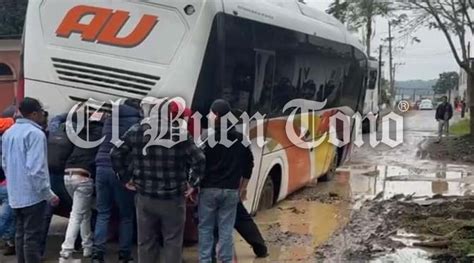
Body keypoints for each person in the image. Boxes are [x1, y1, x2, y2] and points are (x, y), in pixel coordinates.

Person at [111, 98, 206, 263]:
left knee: (146, 242)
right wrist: (192, 184)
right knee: (172, 241)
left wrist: (126, 177)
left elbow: (115, 153)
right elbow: (200, 158)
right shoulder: (180, 134)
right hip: (173, 198)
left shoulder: (136, 130)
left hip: (145, 197)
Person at [1, 98, 60, 263]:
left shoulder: (9, 133)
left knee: (20, 234)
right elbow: (36, 169)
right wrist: (48, 194)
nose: (43, 115)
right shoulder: (35, 134)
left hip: (15, 193)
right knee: (32, 237)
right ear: (34, 114)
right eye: (41, 112)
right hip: (33, 194)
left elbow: (5, 163)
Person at [198, 99, 254, 263]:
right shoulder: (241, 139)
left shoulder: (206, 137)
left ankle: (205, 260)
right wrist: (243, 189)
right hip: (231, 191)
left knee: (206, 228)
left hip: (208, 190)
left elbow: (197, 162)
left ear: (215, 115)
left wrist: (194, 185)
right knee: (226, 230)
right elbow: (249, 165)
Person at [91, 99, 141, 263]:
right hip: (120, 170)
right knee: (126, 214)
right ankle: (124, 255)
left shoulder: (110, 118)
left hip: (100, 167)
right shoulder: (135, 122)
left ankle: (98, 254)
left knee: (103, 212)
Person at [59, 109, 104, 259]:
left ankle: (87, 247)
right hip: (84, 176)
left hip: (67, 174)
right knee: (77, 214)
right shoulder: (101, 134)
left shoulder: (80, 133)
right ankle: (66, 248)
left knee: (84, 212)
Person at [41, 113, 75, 257]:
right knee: (76, 211)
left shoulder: (54, 130)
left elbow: (56, 118)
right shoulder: (76, 135)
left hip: (49, 175)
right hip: (64, 176)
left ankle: (38, 250)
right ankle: (76, 242)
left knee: (46, 213)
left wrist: (69, 113)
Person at [0, 107, 16, 256]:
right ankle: (9, 241)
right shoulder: (10, 135)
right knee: (7, 216)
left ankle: (9, 242)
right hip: (6, 183)